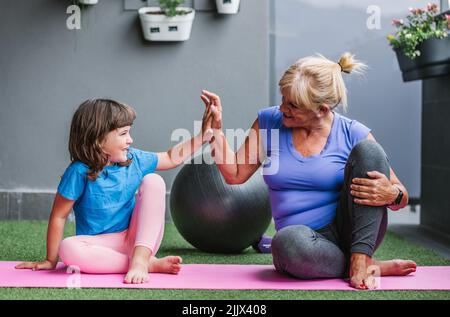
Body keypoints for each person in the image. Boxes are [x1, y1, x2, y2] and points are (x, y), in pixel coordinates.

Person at [201, 52, 417, 290]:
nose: (283, 108)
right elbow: (235, 174)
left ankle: (361, 257)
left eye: (293, 105)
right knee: (285, 244)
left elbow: (401, 196)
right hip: (302, 243)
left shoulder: (352, 132)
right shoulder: (269, 122)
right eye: (283, 99)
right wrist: (216, 132)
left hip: (354, 233)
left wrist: (392, 194)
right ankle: (362, 265)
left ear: (322, 109)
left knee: (369, 151)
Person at [16, 98, 214, 284]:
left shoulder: (134, 159)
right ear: (99, 139)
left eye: (129, 132)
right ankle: (147, 264)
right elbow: (59, 216)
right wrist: (51, 260)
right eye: (123, 134)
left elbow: (171, 158)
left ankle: (141, 259)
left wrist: (202, 136)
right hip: (99, 248)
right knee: (68, 248)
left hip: (138, 240)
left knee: (154, 181)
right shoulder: (78, 172)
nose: (130, 140)